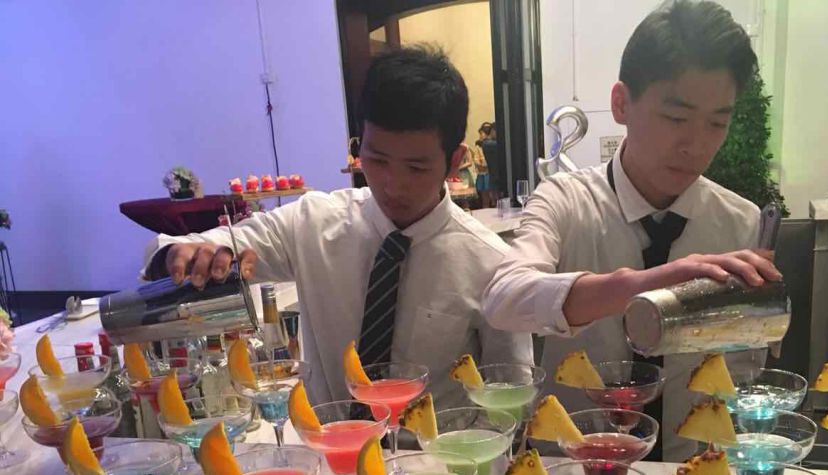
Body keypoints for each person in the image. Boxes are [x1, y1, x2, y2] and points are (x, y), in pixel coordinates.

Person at [141, 46, 534, 407]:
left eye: (416, 167)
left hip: (438, 456)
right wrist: (183, 254)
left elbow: (512, 396)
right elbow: (187, 246)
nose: (392, 185)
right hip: (329, 448)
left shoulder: (492, 264)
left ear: (455, 161)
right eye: (376, 160)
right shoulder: (311, 224)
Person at [481, 0, 779, 460]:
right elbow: (504, 298)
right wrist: (643, 285)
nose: (696, 145)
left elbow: (741, 370)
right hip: (570, 471)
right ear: (621, 104)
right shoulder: (565, 200)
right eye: (676, 118)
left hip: (689, 470)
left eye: (717, 123)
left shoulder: (739, 221)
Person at [480, 123, 504, 207]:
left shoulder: (487, 143)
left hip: (494, 178)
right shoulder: (487, 144)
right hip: (496, 178)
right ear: (493, 131)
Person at [473, 122, 493, 207]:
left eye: (481, 134)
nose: (480, 136)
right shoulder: (478, 147)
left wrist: (485, 163)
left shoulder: (491, 145)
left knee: (491, 196)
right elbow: (476, 160)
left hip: (489, 173)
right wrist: (482, 164)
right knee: (483, 196)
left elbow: (489, 162)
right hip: (481, 173)